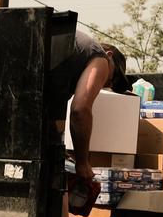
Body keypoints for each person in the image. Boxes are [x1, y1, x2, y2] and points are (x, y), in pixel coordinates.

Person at [54, 30, 131, 183]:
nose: (109, 84)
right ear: (109, 56)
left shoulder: (69, 70)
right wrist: (82, 163)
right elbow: (80, 110)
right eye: (113, 77)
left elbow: (52, 119)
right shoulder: (100, 57)